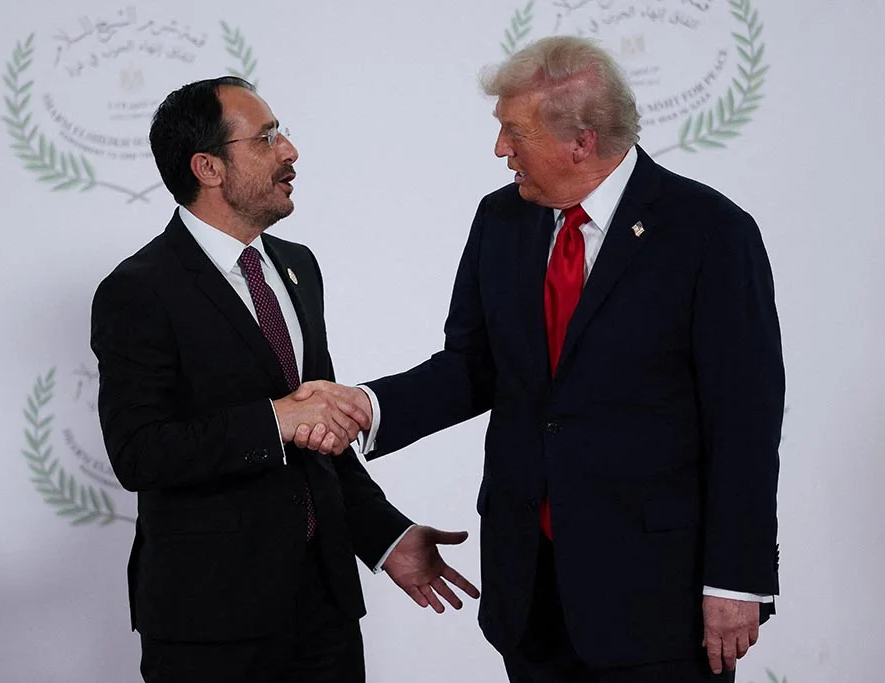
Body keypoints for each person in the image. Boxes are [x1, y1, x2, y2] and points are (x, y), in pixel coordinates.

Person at [293, 36, 783, 682]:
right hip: (529, 590)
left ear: (581, 141)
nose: (501, 149)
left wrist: (737, 579)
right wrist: (367, 405)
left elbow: (744, 418)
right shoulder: (501, 219)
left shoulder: (709, 231)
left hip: (658, 594)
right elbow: (474, 365)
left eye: (514, 132)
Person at [90, 76, 478, 683]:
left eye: (282, 134)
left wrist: (387, 537)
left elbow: (321, 435)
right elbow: (140, 453)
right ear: (208, 167)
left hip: (324, 613)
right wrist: (275, 420)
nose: (289, 152)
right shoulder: (138, 290)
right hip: (210, 625)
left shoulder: (298, 267)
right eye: (266, 138)